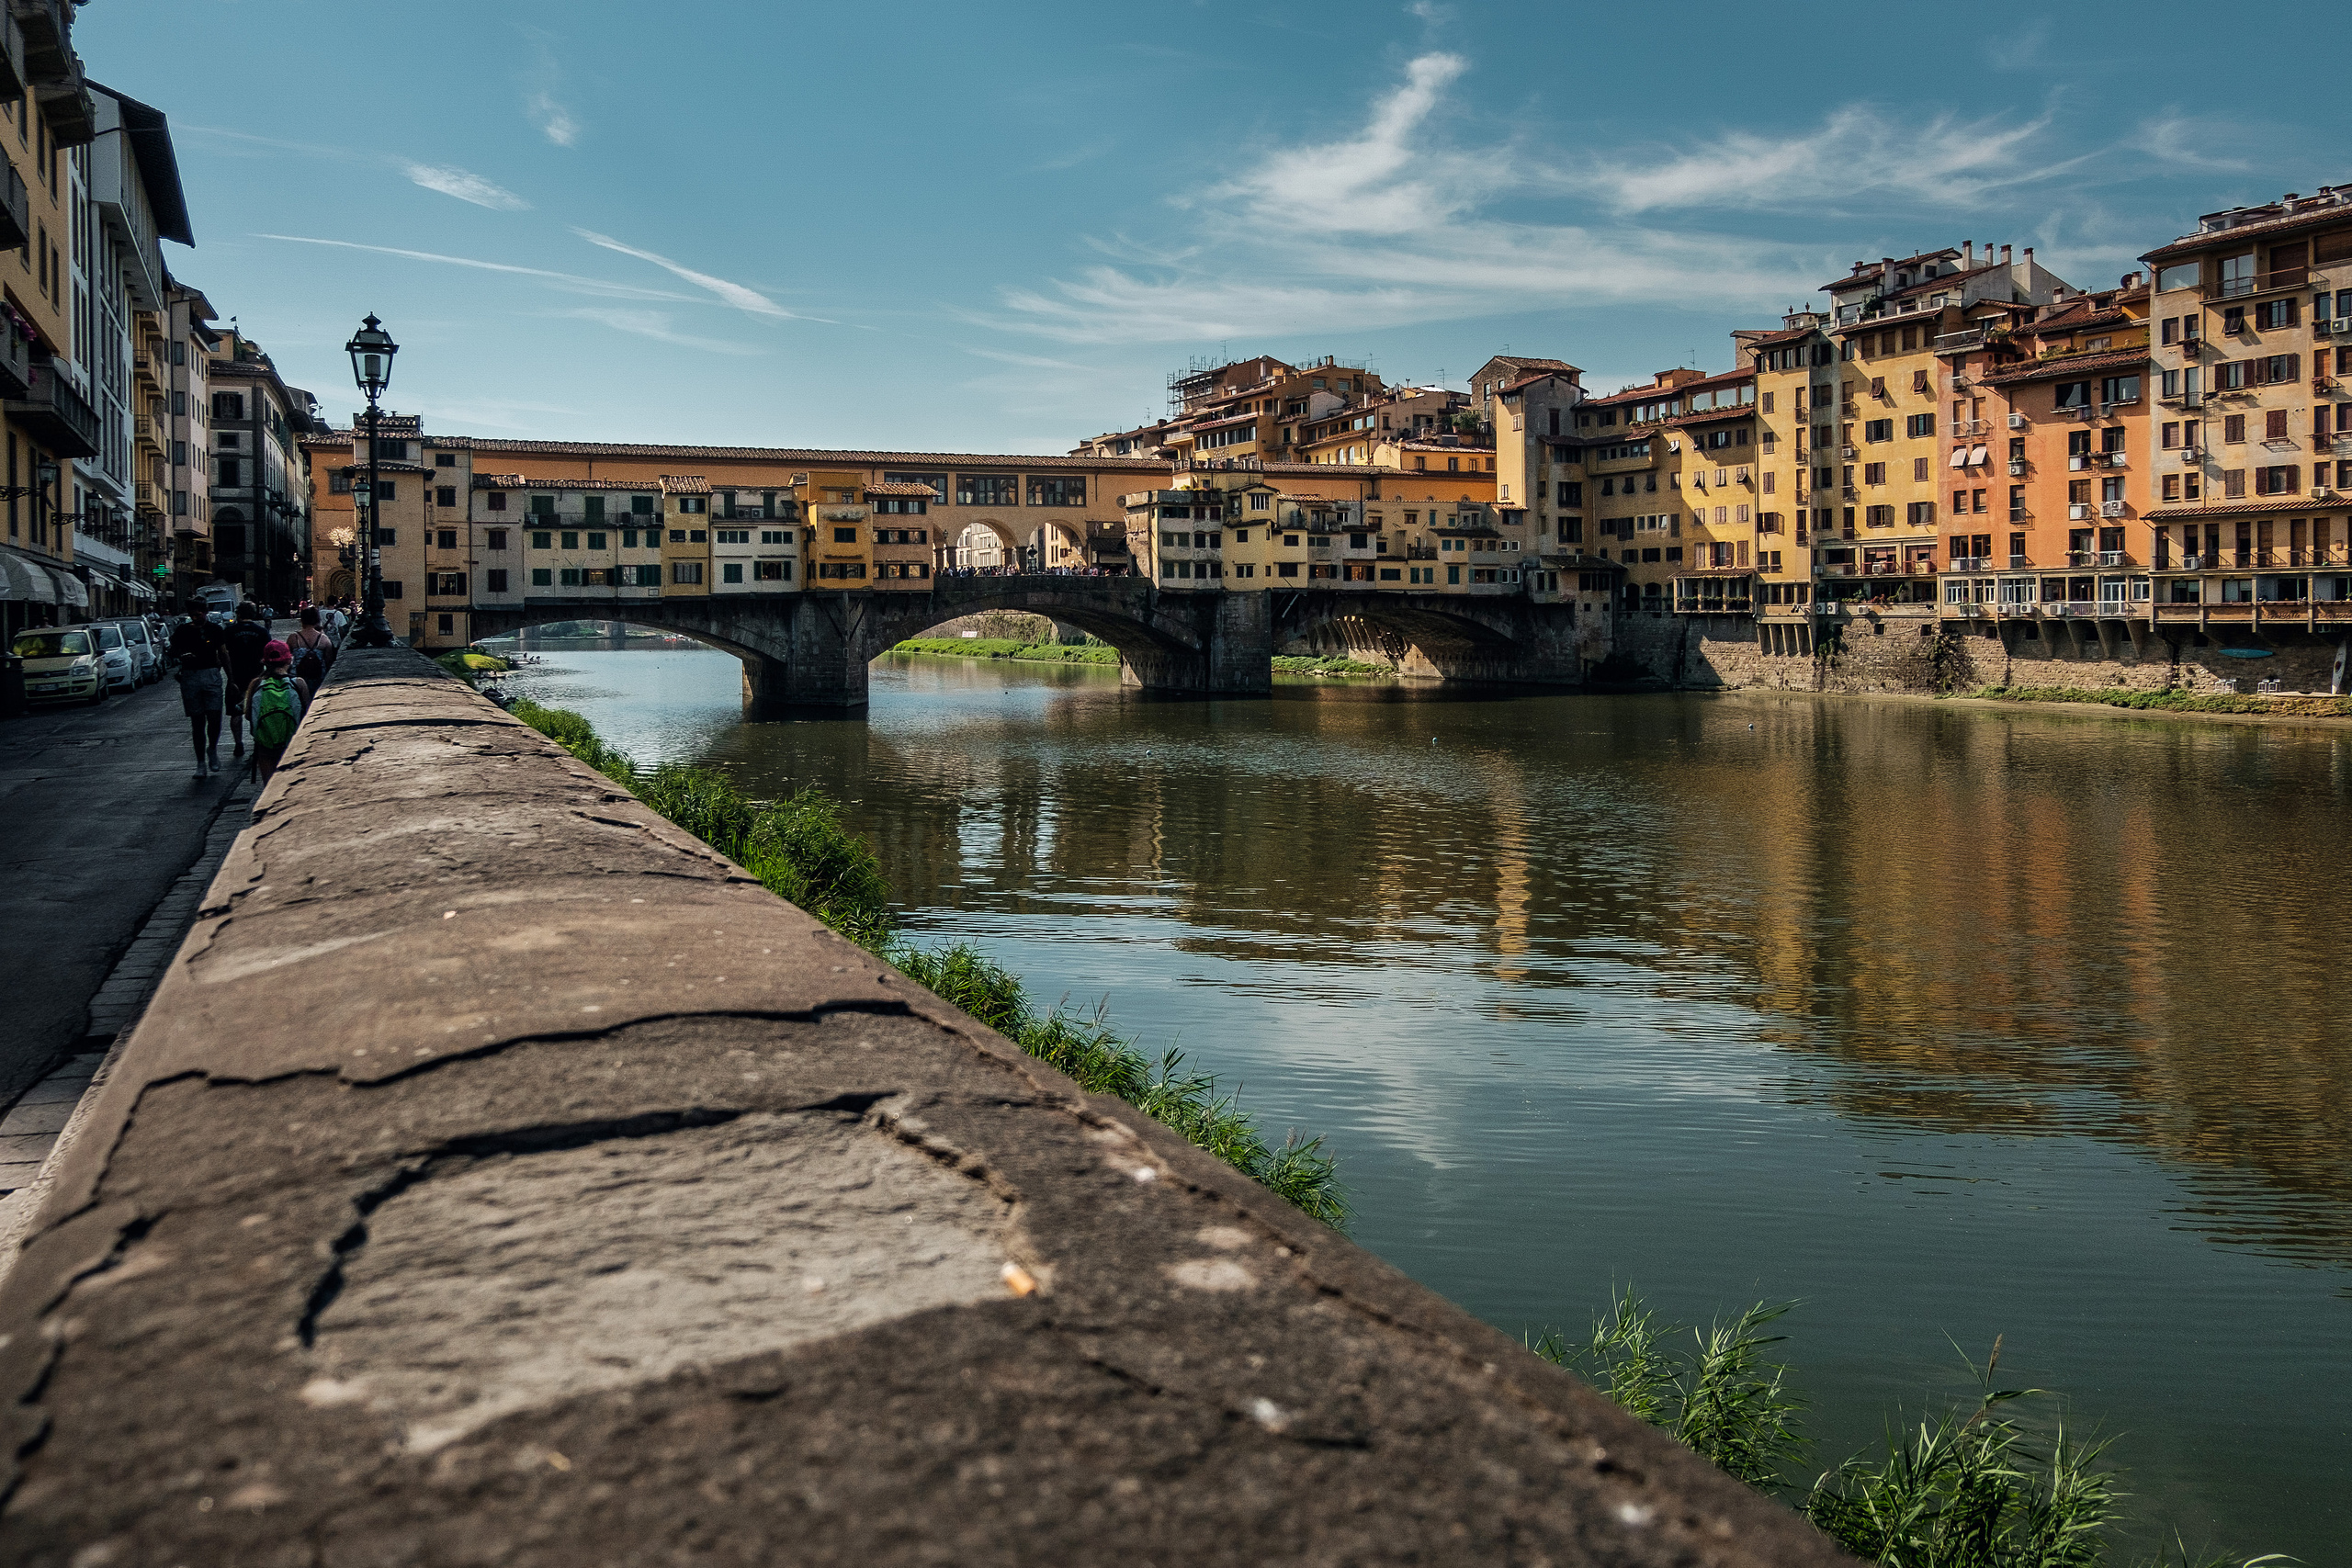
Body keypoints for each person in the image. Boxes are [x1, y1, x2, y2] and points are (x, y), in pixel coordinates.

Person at [166, 612, 229, 776]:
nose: (197, 614)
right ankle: (200, 762)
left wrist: (232, 679)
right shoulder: (182, 631)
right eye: (194, 610)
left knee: (215, 718)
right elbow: (172, 651)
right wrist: (182, 655)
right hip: (191, 676)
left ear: (205, 611)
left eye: (200, 610)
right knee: (198, 722)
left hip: (210, 675)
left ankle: (212, 750)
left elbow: (223, 653)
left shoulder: (215, 629)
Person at [240, 641, 311, 785]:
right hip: (292, 741)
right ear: (289, 660)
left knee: (270, 784)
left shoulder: (256, 683)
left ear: (265, 662)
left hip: (265, 743)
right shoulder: (298, 683)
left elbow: (248, 716)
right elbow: (308, 715)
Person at [220, 603, 270, 760]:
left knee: (235, 713)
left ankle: (238, 744)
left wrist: (229, 677)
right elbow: (268, 655)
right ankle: (257, 742)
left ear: (238, 614)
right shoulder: (261, 632)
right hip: (256, 677)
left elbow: (223, 654)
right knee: (257, 712)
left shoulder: (229, 631)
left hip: (235, 678)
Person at [287, 606, 336, 689]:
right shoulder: (324, 639)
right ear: (317, 620)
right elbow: (329, 661)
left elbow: (286, 659)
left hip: (298, 677)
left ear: (302, 620)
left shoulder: (293, 638)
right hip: (318, 676)